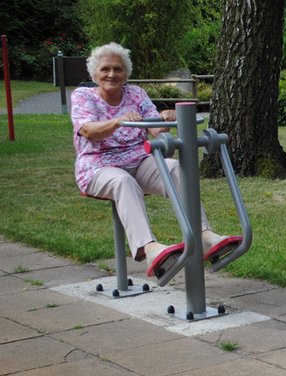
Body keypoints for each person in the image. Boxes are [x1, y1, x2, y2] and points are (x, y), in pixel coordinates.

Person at [71, 43, 237, 280]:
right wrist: (119, 121)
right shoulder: (84, 96)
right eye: (105, 69)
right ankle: (148, 249)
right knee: (123, 182)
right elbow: (88, 130)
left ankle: (204, 236)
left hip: (138, 161)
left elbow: (157, 128)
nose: (111, 74)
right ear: (94, 73)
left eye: (118, 69)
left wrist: (168, 118)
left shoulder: (136, 94)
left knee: (177, 169)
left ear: (126, 73)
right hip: (98, 166)